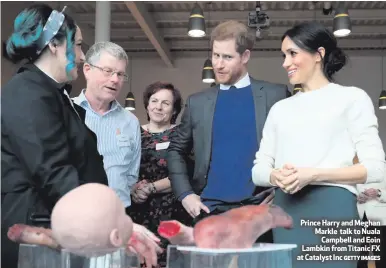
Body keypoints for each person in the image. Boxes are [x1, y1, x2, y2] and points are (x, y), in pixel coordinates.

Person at [252, 21, 386, 268]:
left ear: (318, 54)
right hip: (286, 211)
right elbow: (258, 170)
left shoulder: (352, 98)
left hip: (335, 209)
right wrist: (274, 175)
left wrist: (312, 174)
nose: (285, 62)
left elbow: (376, 168)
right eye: (284, 55)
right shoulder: (280, 110)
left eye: (293, 53)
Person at [1, 4, 108, 268]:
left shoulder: (52, 93)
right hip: (38, 236)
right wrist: (106, 219)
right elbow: (52, 171)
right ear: (54, 45)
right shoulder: (27, 93)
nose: (83, 56)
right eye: (79, 45)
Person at [167, 20, 290, 240]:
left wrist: (281, 193)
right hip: (210, 210)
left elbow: (293, 148)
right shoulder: (197, 103)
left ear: (245, 57)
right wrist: (186, 195)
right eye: (215, 55)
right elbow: (176, 149)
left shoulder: (276, 95)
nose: (218, 64)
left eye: (227, 57)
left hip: (260, 210)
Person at [126, 81, 192, 267]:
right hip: (137, 211)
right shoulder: (133, 132)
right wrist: (133, 188)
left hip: (172, 211)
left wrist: (151, 188)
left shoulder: (181, 135)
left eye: (166, 103)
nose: (158, 107)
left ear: (174, 110)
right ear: (147, 104)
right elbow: (121, 167)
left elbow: (186, 173)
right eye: (154, 101)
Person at [73, 41, 141, 210]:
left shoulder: (131, 122)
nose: (115, 80)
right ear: (87, 70)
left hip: (119, 214)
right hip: (75, 214)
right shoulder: (66, 111)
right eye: (108, 71)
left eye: (120, 74)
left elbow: (132, 176)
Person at [357, 161, 386, 268]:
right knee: (360, 256)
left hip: (380, 218)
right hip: (360, 216)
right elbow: (352, 190)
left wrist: (379, 193)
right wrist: (358, 197)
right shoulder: (356, 169)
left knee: (381, 255)